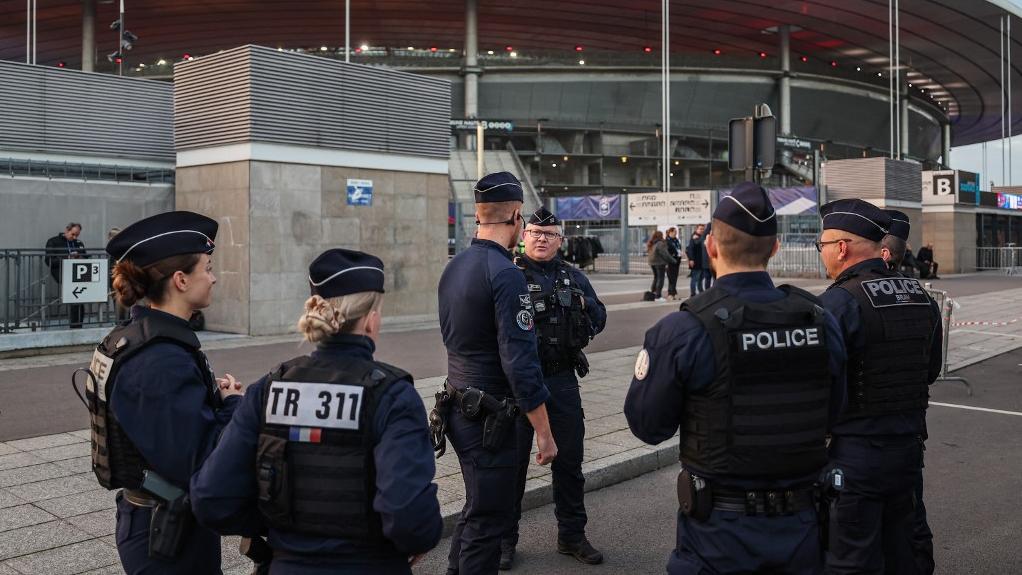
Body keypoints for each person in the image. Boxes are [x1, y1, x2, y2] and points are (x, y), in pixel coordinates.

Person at [624, 182, 847, 575]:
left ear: (711, 247)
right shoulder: (818, 320)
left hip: (717, 536)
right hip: (802, 529)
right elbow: (836, 411)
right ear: (775, 249)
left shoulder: (683, 329)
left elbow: (648, 426)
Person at [191, 249, 442, 574]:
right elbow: (411, 519)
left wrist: (278, 528)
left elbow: (212, 498)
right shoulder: (392, 396)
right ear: (369, 319)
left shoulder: (267, 390)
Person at [81, 211, 241, 574]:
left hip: (162, 522)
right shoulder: (159, 359)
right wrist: (233, 407)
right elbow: (199, 461)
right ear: (181, 280)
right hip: (166, 537)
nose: (214, 278)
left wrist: (205, 398)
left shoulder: (145, 339)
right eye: (208, 267)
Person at [438, 171, 558, 575]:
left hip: (457, 406)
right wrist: (543, 430)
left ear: (477, 214)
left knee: (476, 509)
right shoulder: (506, 274)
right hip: (489, 419)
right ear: (517, 216)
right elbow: (519, 362)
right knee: (489, 520)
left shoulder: (454, 267)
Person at [816, 199, 943, 574]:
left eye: (822, 246)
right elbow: (930, 370)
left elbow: (823, 386)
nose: (821, 254)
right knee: (906, 552)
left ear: (841, 247)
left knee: (850, 559)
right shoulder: (921, 296)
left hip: (855, 458)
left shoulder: (837, 304)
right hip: (907, 453)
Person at [500, 208, 608, 570]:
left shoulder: (573, 277)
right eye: (534, 232)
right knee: (511, 466)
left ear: (560, 240)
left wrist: (582, 307)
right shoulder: (508, 275)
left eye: (549, 234)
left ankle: (572, 536)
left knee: (570, 463)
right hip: (516, 386)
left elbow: (600, 317)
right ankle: (504, 541)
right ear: (523, 236)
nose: (541, 239)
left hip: (561, 381)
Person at [879, 211, 935, 575]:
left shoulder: (846, 299)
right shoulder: (925, 300)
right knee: (912, 526)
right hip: (910, 437)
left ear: (883, 253)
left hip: (861, 445)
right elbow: (930, 371)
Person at [45, 222, 86, 328]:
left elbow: (86, 258)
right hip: (62, 272)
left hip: (78, 274)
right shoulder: (53, 241)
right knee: (75, 298)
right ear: (66, 230)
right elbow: (49, 261)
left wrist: (80, 257)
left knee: (80, 299)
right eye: (73, 234)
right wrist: (67, 258)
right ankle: (75, 325)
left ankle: (78, 324)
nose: (74, 237)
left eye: (77, 235)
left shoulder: (78, 243)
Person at [646, 230, 672, 301]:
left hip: (652, 263)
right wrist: (673, 260)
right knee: (660, 279)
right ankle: (658, 296)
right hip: (659, 263)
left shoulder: (651, 243)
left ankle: (653, 293)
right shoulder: (660, 243)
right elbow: (665, 254)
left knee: (656, 278)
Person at [665, 227, 683, 300]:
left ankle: (674, 292)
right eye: (674, 232)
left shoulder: (676, 240)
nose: (676, 233)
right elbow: (667, 252)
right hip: (670, 261)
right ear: (670, 233)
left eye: (676, 232)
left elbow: (678, 248)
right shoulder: (667, 241)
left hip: (677, 260)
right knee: (671, 278)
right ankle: (671, 293)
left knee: (675, 277)